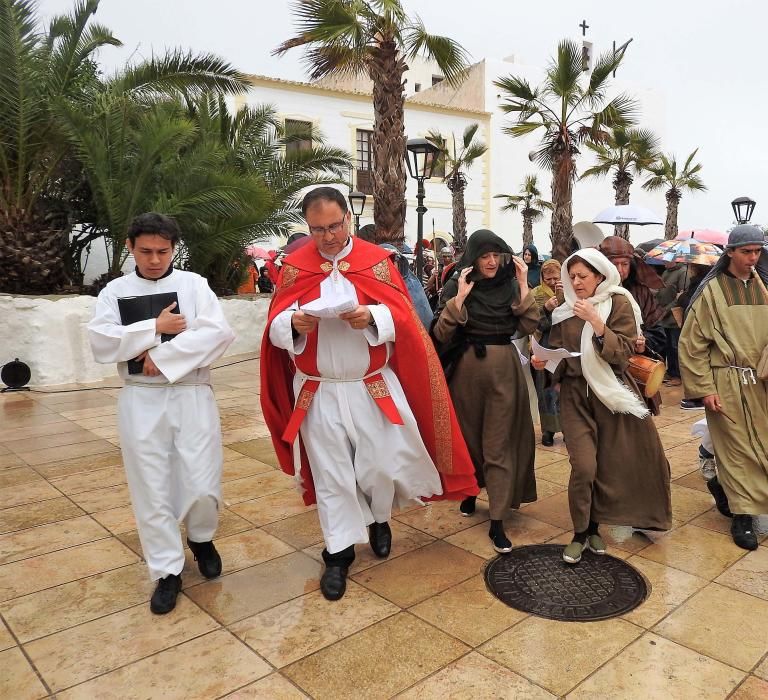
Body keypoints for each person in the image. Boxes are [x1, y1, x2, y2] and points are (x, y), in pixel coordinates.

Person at [260, 187, 478, 601]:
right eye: (317, 229)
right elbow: (273, 325)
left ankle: (379, 519)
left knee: (379, 465)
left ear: (348, 219)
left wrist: (373, 316)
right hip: (318, 391)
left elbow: (405, 318)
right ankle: (338, 554)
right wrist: (292, 324)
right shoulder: (293, 267)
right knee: (331, 475)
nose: (326, 237)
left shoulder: (377, 262)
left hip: (372, 385)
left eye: (334, 226)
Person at [88, 212, 235, 614]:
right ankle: (166, 569)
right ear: (130, 247)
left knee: (202, 479)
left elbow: (218, 333)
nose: (155, 259)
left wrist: (166, 357)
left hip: (190, 392)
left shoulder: (193, 285)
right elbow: (101, 342)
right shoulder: (114, 292)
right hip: (141, 399)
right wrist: (155, 327)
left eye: (163, 251)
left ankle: (202, 537)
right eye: (146, 251)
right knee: (150, 483)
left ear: (174, 248)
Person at [532, 249, 672, 564]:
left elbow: (622, 354)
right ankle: (581, 532)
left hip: (611, 394)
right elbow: (558, 355)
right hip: (575, 396)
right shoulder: (564, 311)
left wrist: (596, 322)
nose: (576, 282)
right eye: (572, 277)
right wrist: (543, 362)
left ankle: (596, 525)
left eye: (583, 276)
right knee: (584, 466)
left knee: (609, 464)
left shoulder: (619, 303)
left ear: (599, 275)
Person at [679, 225, 768, 550]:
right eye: (746, 251)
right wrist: (705, 388)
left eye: (757, 252)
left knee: (765, 447)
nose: (752, 258)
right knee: (736, 451)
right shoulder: (712, 292)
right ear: (730, 253)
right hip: (727, 381)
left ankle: (726, 489)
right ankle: (742, 515)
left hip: (764, 382)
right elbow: (692, 345)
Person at [433, 229, 539, 554]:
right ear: (474, 258)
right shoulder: (457, 283)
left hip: (504, 370)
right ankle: (470, 490)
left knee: (498, 442)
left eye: (497, 255)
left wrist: (523, 285)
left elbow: (529, 325)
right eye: (485, 255)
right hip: (466, 371)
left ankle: (497, 519)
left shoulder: (510, 284)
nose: (492, 261)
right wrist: (460, 297)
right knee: (470, 438)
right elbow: (439, 332)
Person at [532, 259, 563, 446]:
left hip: (563, 346)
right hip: (543, 346)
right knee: (545, 391)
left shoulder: (569, 292)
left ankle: (567, 426)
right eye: (548, 278)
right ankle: (548, 430)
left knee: (564, 390)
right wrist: (546, 308)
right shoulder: (535, 294)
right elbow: (533, 322)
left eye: (556, 278)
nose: (552, 282)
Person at [673, 263, 713, 410]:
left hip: (696, 326)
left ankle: (699, 397)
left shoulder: (702, 282)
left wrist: (681, 297)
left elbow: (693, 301)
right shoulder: (700, 280)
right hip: (693, 324)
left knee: (694, 357)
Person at [656, 261, 690, 386]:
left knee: (676, 346)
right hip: (664, 315)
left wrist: (666, 309)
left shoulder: (683, 273)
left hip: (674, 315)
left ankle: (678, 376)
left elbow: (681, 296)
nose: (664, 260)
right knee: (668, 346)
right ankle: (671, 371)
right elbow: (661, 290)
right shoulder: (666, 272)